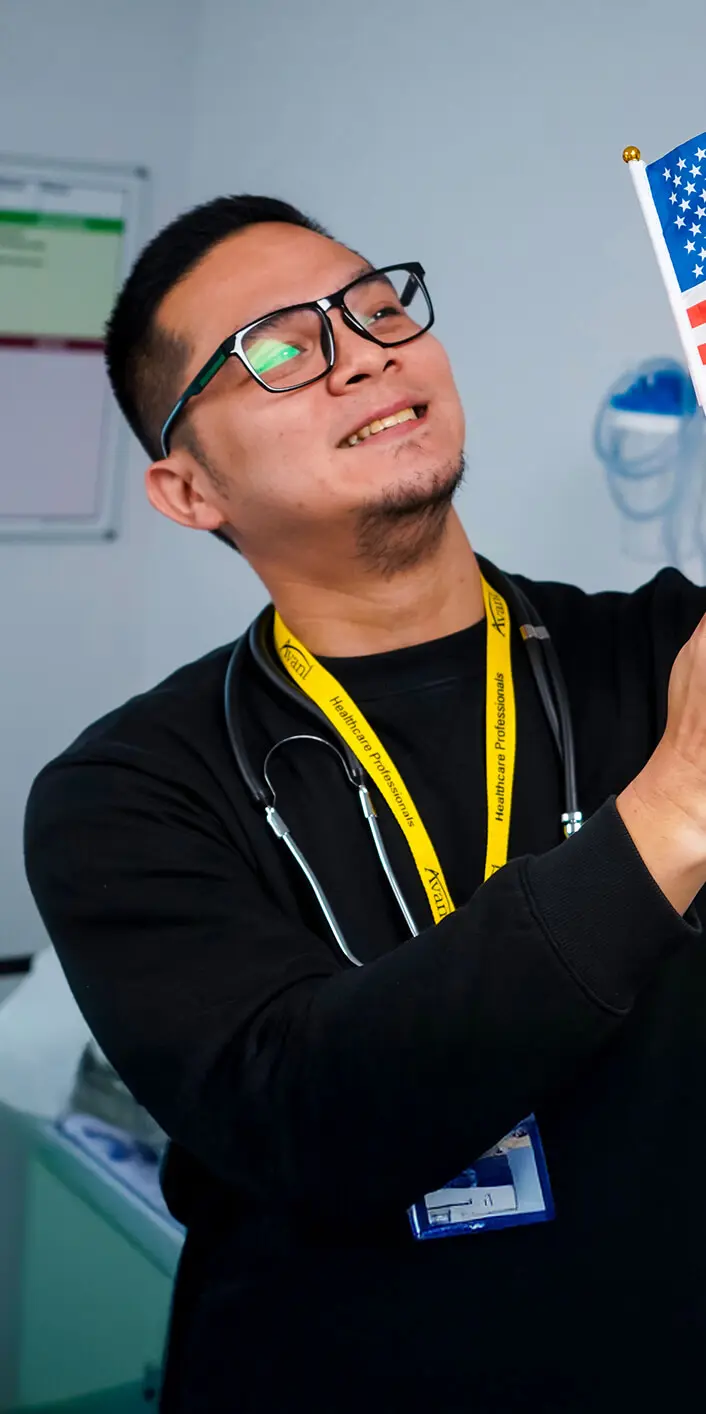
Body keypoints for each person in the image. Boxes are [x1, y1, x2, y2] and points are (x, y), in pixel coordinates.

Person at [23, 193, 706, 1414]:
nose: (364, 351)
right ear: (188, 491)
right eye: (279, 351)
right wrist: (671, 813)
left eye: (377, 306)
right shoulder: (123, 794)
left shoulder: (664, 652)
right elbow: (308, 1115)